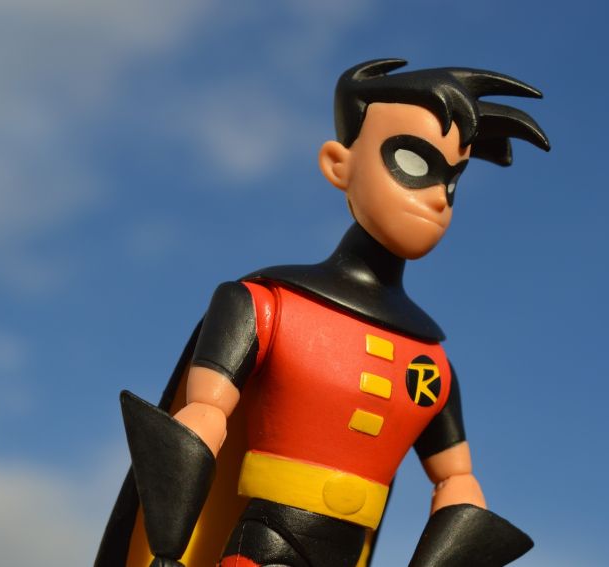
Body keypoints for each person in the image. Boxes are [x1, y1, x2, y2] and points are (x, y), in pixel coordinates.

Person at [95, 58, 550, 567]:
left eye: (451, 180)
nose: (437, 199)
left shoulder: (432, 360)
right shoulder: (268, 305)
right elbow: (201, 418)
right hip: (266, 543)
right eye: (413, 162)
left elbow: (457, 480)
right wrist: (166, 551)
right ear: (338, 163)